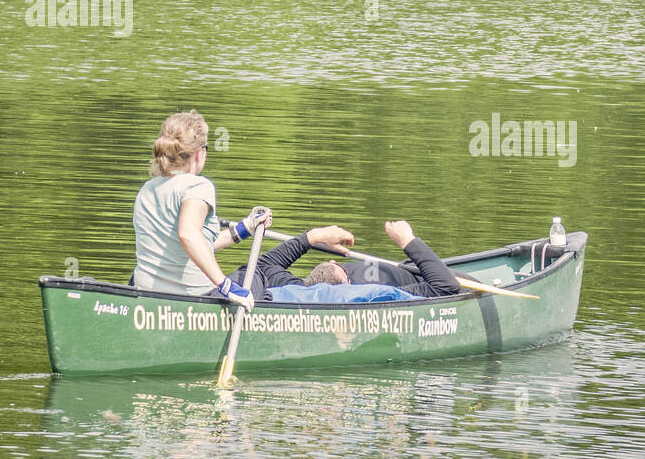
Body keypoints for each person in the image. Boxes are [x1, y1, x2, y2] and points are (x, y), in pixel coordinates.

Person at [131, 110, 355, 311]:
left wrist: (244, 228)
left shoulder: (148, 189)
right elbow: (188, 236)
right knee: (258, 270)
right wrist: (225, 285)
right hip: (193, 299)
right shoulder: (198, 186)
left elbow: (190, 245)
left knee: (254, 269)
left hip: (147, 293)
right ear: (200, 153)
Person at [229, 220, 460, 301]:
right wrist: (408, 241)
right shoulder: (372, 294)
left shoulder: (298, 288)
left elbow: (262, 266)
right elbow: (446, 287)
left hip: (415, 269)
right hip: (438, 276)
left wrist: (314, 237)